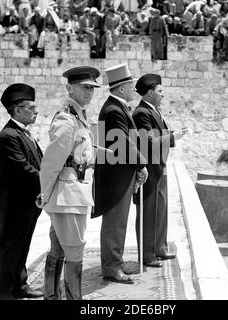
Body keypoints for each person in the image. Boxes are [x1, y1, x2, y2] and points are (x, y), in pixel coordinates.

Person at [37, 66, 101, 300]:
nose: (89, 92)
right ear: (69, 88)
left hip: (74, 193)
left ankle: (51, 296)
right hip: (68, 196)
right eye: (84, 87)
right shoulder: (67, 119)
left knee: (58, 247)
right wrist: (44, 194)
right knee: (74, 252)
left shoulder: (78, 116)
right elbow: (51, 162)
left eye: (92, 88)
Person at [92, 63, 148, 285]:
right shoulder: (114, 110)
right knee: (115, 222)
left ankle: (116, 261)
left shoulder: (118, 107)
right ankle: (111, 267)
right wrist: (141, 164)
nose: (134, 89)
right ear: (121, 88)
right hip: (117, 175)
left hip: (122, 172)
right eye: (131, 85)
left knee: (119, 222)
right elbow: (123, 143)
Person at [0, 83, 44, 300]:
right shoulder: (8, 136)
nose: (36, 111)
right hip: (15, 204)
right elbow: (24, 169)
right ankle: (4, 294)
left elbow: (38, 162)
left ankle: (19, 286)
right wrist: (48, 178)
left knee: (23, 246)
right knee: (10, 249)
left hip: (28, 202)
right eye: (31, 107)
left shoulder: (23, 133)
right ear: (17, 109)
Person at [132, 74, 187, 268]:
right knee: (148, 211)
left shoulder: (154, 110)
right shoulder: (141, 113)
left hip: (159, 166)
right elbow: (148, 141)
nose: (163, 95)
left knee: (161, 208)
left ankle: (159, 247)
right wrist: (173, 137)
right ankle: (147, 254)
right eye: (160, 91)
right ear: (149, 93)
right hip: (149, 167)